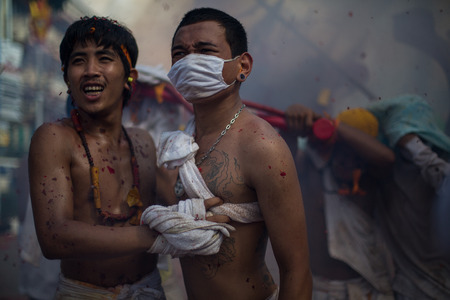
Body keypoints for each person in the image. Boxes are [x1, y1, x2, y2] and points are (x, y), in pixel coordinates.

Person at [28, 16, 228, 299]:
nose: (90, 71)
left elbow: (175, 203)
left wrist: (194, 206)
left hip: (149, 289)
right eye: (78, 61)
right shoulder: (53, 138)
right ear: (66, 78)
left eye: (104, 58)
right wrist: (156, 237)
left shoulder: (142, 143)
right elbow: (54, 237)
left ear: (129, 77)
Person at [156, 7, 312, 300]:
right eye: (180, 53)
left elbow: (297, 270)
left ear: (243, 66)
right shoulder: (176, 146)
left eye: (205, 51)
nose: (190, 61)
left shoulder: (262, 146)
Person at [283, 104, 396, 299]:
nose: (347, 161)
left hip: (365, 290)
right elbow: (281, 166)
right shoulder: (312, 171)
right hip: (318, 288)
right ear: (331, 146)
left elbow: (387, 159)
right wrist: (292, 128)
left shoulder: (371, 182)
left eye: (356, 155)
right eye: (341, 151)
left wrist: (332, 125)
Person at [366, 94, 450, 299]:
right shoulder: (384, 170)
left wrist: (411, 143)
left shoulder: (437, 165)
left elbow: (443, 179)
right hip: (408, 285)